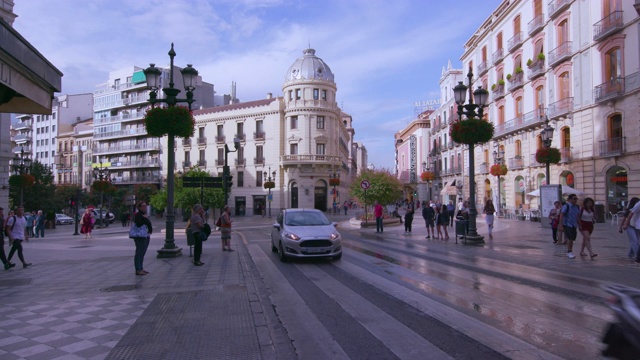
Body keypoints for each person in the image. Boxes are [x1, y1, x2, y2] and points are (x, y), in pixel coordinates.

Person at [131, 201, 152, 275]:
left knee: (142, 253)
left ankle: (141, 268)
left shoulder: (144, 214)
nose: (144, 207)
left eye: (145, 206)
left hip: (146, 235)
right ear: (139, 207)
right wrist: (145, 219)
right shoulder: (138, 215)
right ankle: (138, 269)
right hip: (140, 237)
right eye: (143, 206)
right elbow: (139, 224)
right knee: (139, 253)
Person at [558, 194, 580, 259]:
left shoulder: (577, 207)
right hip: (567, 224)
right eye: (574, 198)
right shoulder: (566, 206)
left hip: (574, 225)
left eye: (576, 199)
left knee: (572, 239)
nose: (575, 200)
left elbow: (578, 216)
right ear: (570, 199)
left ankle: (569, 251)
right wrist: (560, 224)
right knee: (570, 238)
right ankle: (569, 251)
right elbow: (561, 215)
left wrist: (580, 224)